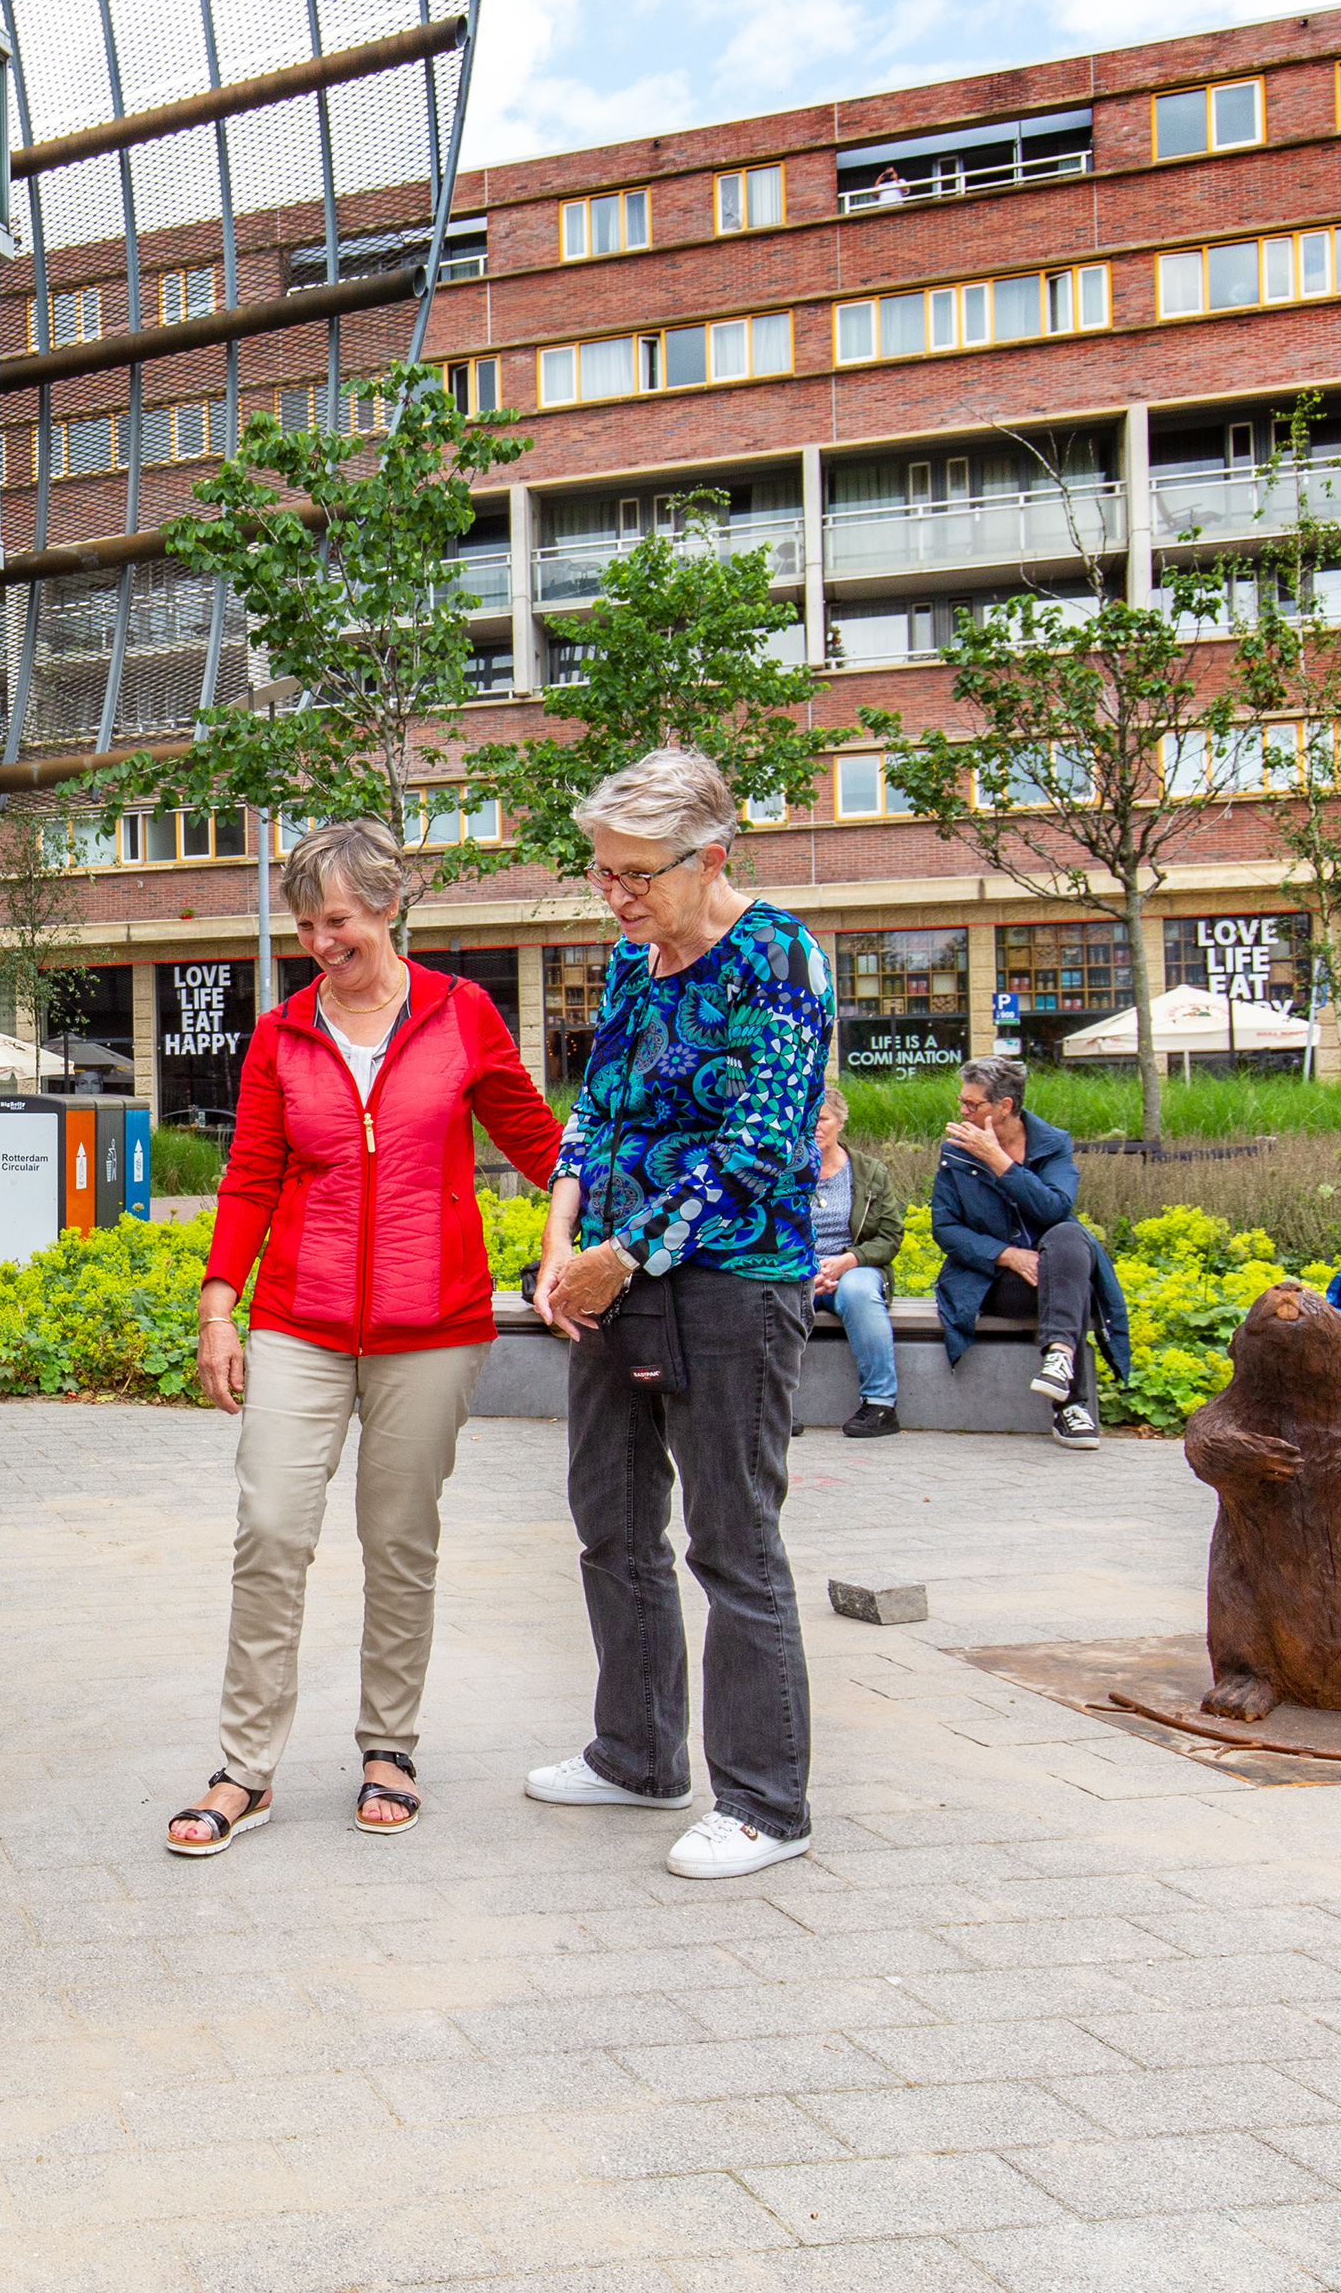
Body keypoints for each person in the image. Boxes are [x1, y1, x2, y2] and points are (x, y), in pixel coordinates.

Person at [165, 822, 561, 1859]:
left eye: (335, 918)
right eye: (303, 922)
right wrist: (219, 1302)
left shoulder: (461, 1013)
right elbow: (250, 1174)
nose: (318, 940)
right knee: (271, 1530)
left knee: (399, 1537)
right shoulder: (281, 1032)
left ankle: (389, 1746)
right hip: (300, 1316)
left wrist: (618, 1222)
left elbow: (541, 1143)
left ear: (386, 905)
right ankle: (244, 1765)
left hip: (432, 1325)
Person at [524, 748, 833, 1881]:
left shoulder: (780, 954)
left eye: (635, 874)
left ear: (711, 855)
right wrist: (562, 1241)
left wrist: (623, 1253)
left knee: (733, 1539)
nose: (615, 895)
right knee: (610, 1516)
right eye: (601, 872)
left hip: (732, 1279)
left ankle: (765, 1800)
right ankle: (637, 1752)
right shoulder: (631, 959)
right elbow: (595, 1106)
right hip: (606, 1268)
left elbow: (760, 1147)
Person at [929, 1056, 1129, 1454]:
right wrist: (1006, 1255)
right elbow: (946, 1229)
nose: (964, 1112)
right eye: (962, 1102)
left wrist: (999, 1161)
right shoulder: (957, 1150)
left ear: (1004, 1105)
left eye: (974, 1105)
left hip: (1054, 1274)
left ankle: (1058, 1358)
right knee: (1076, 1290)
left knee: (1071, 1235)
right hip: (993, 1281)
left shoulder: (1052, 1144)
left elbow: (1055, 1207)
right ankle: (1071, 1405)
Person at [808, 1084, 904, 1438]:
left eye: (823, 1119)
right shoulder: (785, 1172)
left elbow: (890, 1236)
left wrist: (849, 1260)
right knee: (778, 1294)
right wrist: (808, 1267)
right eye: (808, 1119)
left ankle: (880, 1405)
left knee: (860, 1293)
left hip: (854, 1267)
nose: (815, 1126)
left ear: (840, 1122)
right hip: (800, 1268)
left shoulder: (869, 1172)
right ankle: (776, 1409)